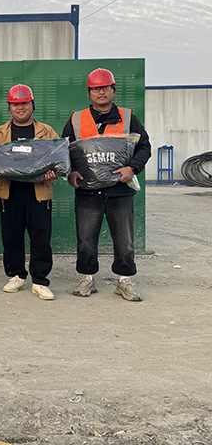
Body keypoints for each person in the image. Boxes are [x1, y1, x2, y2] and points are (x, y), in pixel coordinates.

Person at [62, 68, 151, 301]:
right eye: (96, 89)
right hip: (87, 192)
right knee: (86, 239)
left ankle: (124, 281)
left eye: (105, 88)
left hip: (120, 191)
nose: (101, 92)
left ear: (113, 90)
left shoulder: (129, 117)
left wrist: (132, 169)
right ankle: (87, 278)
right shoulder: (76, 119)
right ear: (88, 93)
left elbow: (144, 146)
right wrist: (70, 172)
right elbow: (64, 150)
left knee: (124, 240)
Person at [0, 84, 59, 300]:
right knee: (11, 237)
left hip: (39, 193)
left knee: (41, 237)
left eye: (24, 103)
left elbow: (59, 158)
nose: (20, 107)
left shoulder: (47, 132)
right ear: (9, 107)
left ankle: (40, 280)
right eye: (15, 104)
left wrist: (54, 172)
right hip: (10, 193)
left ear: (32, 104)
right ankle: (17, 275)